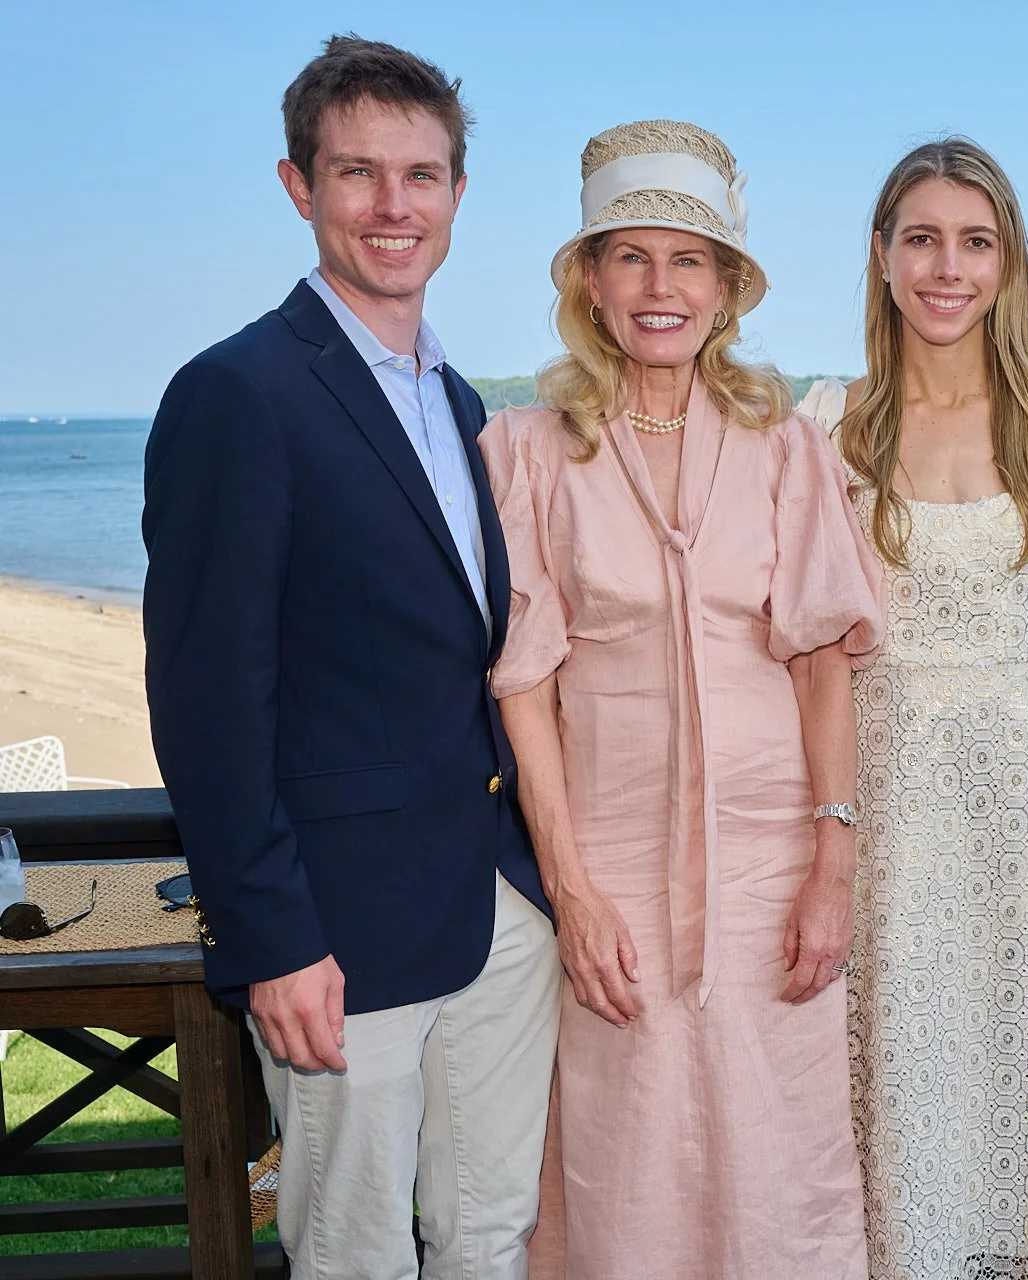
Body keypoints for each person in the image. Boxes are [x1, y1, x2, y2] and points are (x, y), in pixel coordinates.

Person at [142, 35, 561, 1279]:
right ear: (299, 186)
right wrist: (270, 936)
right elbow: (207, 697)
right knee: (352, 1251)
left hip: (498, 907)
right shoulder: (238, 394)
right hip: (339, 931)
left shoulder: (464, 402)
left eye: (420, 176)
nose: (393, 206)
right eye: (359, 173)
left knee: (490, 1235)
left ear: (457, 196)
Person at [484, 120, 883, 1280]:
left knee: (781, 1159)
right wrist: (571, 888)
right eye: (632, 256)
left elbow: (822, 666)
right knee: (628, 1164)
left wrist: (833, 866)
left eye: (690, 259)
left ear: (725, 289)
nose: (662, 286)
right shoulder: (526, 449)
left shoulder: (785, 449)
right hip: (608, 865)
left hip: (772, 871)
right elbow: (523, 683)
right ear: (591, 282)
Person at [799, 138, 1028, 1280]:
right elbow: (798, 645)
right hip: (887, 804)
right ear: (883, 256)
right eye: (924, 238)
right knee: (903, 1076)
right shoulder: (824, 429)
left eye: (976, 241)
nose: (948, 267)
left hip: (1026, 802)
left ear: (1009, 262)